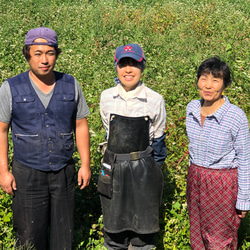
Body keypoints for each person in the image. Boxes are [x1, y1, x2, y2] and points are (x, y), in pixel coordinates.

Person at [0, 27, 91, 250]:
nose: (44, 60)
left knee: (64, 235)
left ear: (57, 54)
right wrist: (3, 171)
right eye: (38, 53)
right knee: (29, 235)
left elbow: (80, 125)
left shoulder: (70, 84)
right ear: (27, 54)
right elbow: (1, 130)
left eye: (50, 53)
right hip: (27, 173)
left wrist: (85, 165)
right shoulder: (10, 87)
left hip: (64, 172)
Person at [98, 43, 167, 250]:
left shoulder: (155, 100)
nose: (128, 70)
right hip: (112, 166)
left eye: (134, 64)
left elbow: (158, 143)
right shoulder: (106, 97)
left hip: (143, 170)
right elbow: (108, 134)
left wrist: (149, 174)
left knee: (142, 234)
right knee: (113, 231)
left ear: (142, 66)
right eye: (123, 64)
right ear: (116, 67)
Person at [186, 56, 250, 249]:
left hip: (222, 185)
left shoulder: (235, 116)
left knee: (220, 240)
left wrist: (244, 200)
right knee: (197, 236)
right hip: (196, 179)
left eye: (215, 80)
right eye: (204, 78)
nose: (208, 85)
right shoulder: (192, 109)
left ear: (224, 85)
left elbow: (245, 160)